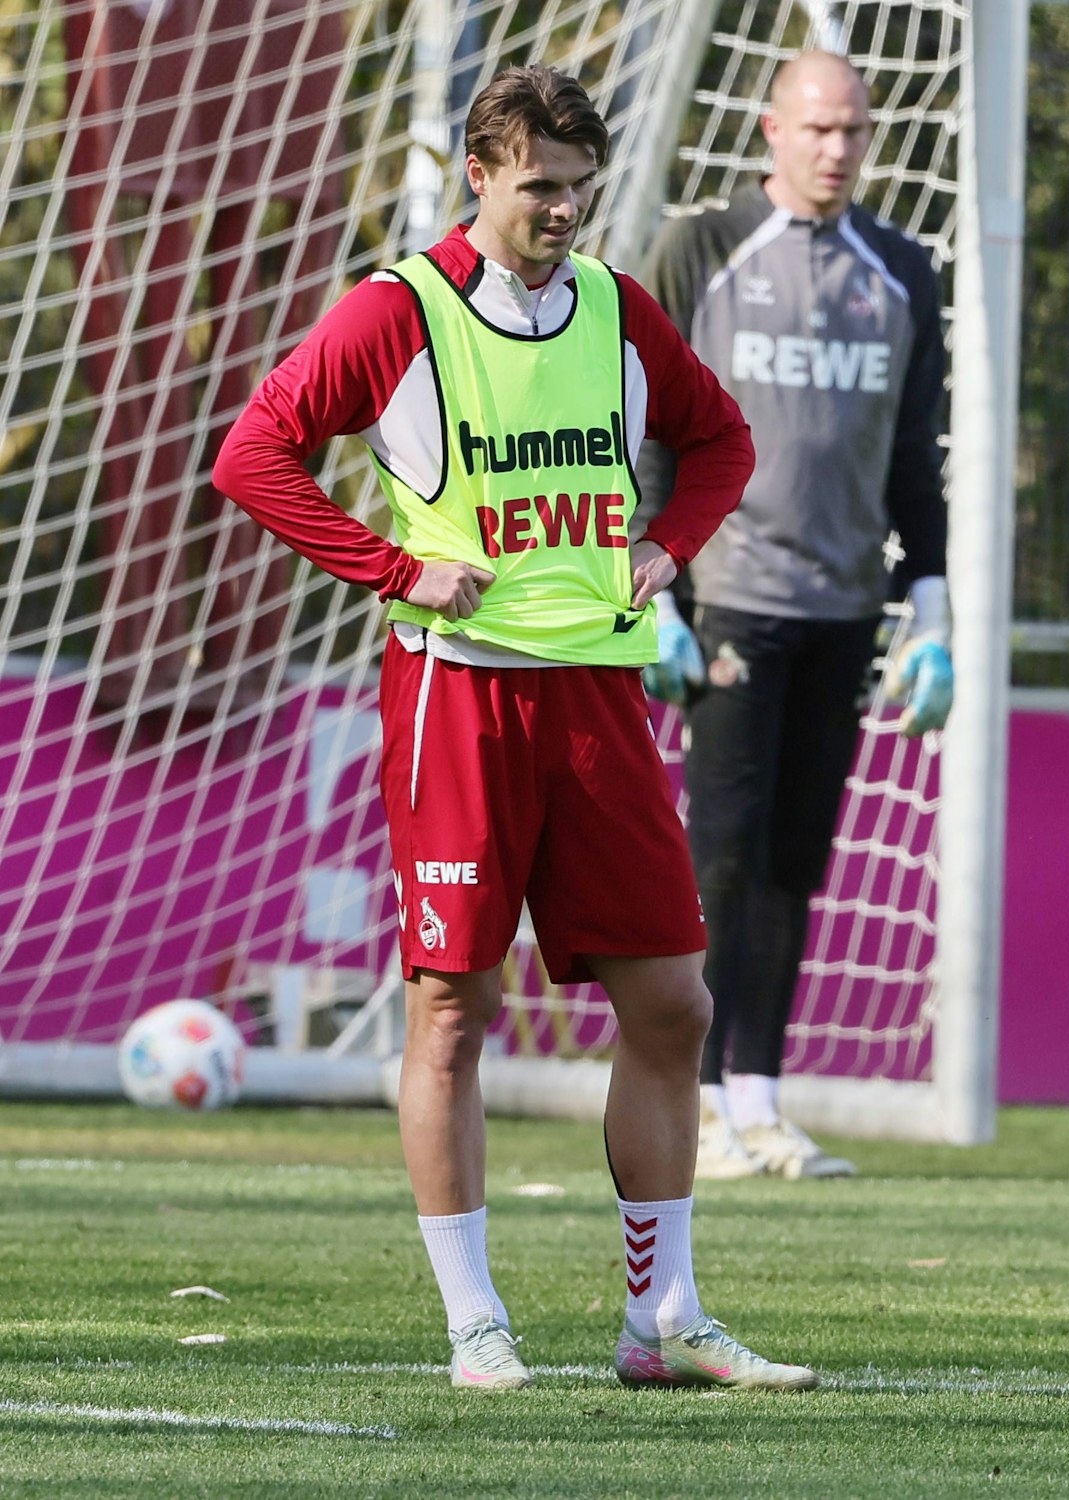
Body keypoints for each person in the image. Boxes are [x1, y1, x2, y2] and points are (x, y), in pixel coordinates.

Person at [213, 64, 816, 1395]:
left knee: (673, 1004)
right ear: (475, 176)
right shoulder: (401, 310)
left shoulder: (613, 306)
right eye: (540, 186)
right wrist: (389, 567)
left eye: (580, 190)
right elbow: (254, 454)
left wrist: (668, 546)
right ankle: (474, 1320)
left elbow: (720, 442)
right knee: (451, 1009)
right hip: (459, 692)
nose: (563, 212)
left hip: (597, 691)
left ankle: (662, 1320)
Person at [635, 49, 952, 1181]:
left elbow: (915, 459)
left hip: (841, 607)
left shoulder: (902, 270)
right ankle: (704, 1095)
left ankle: (758, 1096)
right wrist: (653, 586)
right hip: (726, 594)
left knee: (794, 858)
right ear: (769, 129)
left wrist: (933, 610)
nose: (836, 149)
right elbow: (648, 431)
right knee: (718, 852)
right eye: (816, 128)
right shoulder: (702, 249)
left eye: (854, 131)